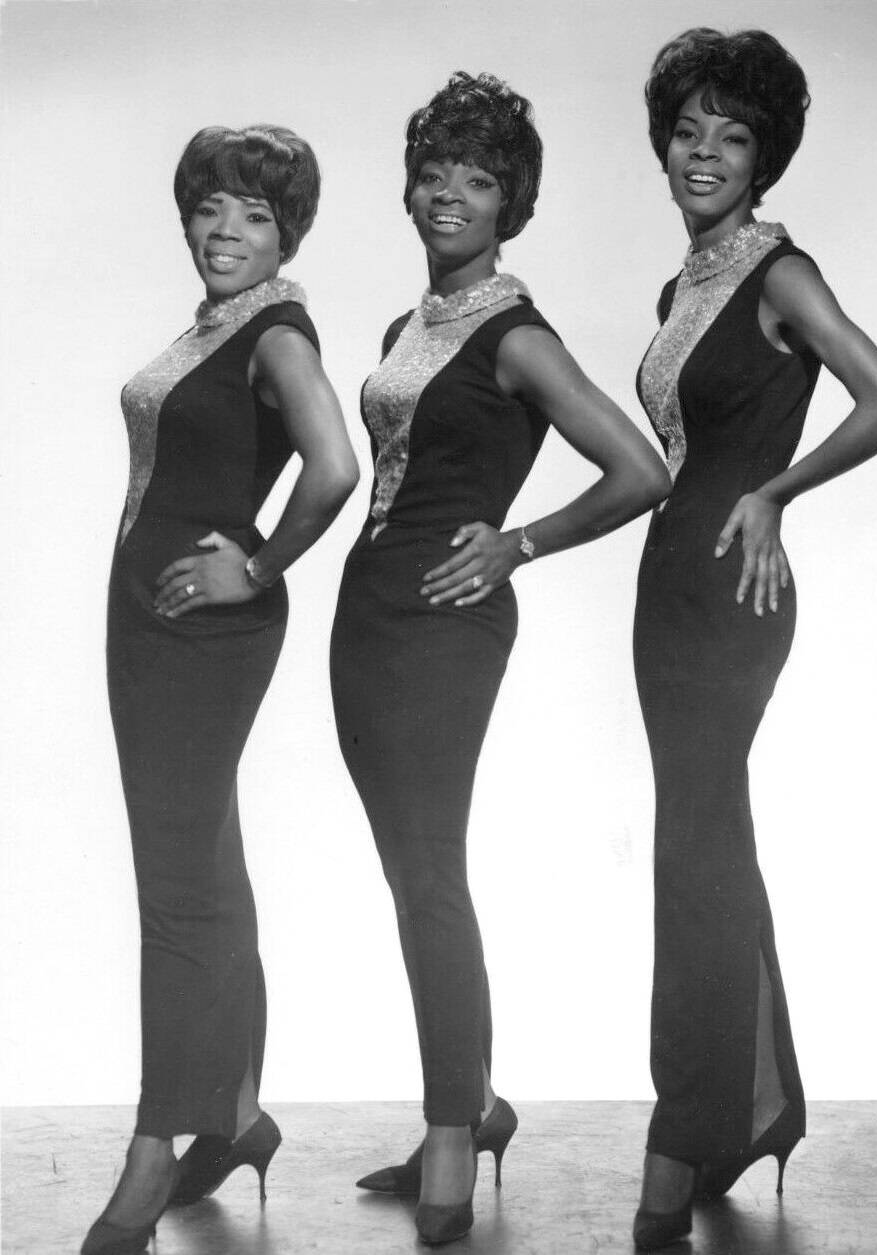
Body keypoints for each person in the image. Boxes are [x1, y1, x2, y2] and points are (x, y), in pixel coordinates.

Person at [330, 71, 669, 1246]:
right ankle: (472, 1099)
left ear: (509, 201)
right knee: (406, 873)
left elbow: (641, 468)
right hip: (363, 619)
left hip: (446, 625)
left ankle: (448, 1135)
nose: (449, 196)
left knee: (431, 874)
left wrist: (519, 542)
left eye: (477, 179)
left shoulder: (517, 331)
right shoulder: (401, 330)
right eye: (434, 173)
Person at [630, 28, 877, 1250]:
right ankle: (749, 1104)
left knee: (695, 856)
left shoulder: (780, 271)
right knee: (699, 849)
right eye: (688, 131)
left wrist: (777, 492)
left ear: (764, 157)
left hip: (738, 590)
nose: (705, 153)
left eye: (731, 136)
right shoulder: (680, 283)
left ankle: (676, 1136)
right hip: (665, 591)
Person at [82, 125, 358, 1255]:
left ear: (286, 231)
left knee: (176, 891)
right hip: (150, 622)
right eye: (210, 208)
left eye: (253, 213)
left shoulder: (278, 331)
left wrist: (256, 563)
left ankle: (156, 1151)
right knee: (208, 866)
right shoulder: (216, 324)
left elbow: (335, 466)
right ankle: (235, 1115)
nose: (226, 230)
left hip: (204, 626)